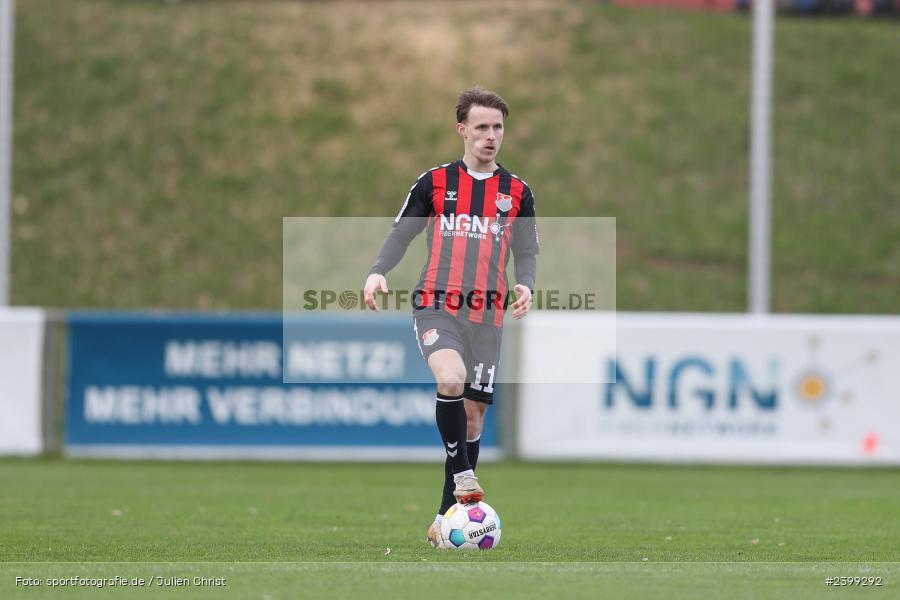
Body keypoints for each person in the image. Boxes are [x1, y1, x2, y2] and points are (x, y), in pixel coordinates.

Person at [363, 86, 538, 547]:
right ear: (462, 129)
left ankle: (444, 519)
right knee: (451, 378)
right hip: (436, 304)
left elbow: (526, 251)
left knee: (474, 420)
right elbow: (401, 234)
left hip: (488, 315)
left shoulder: (517, 192)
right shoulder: (435, 182)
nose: (490, 136)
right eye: (481, 127)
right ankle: (463, 475)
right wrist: (378, 271)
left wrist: (526, 284)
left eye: (497, 127)